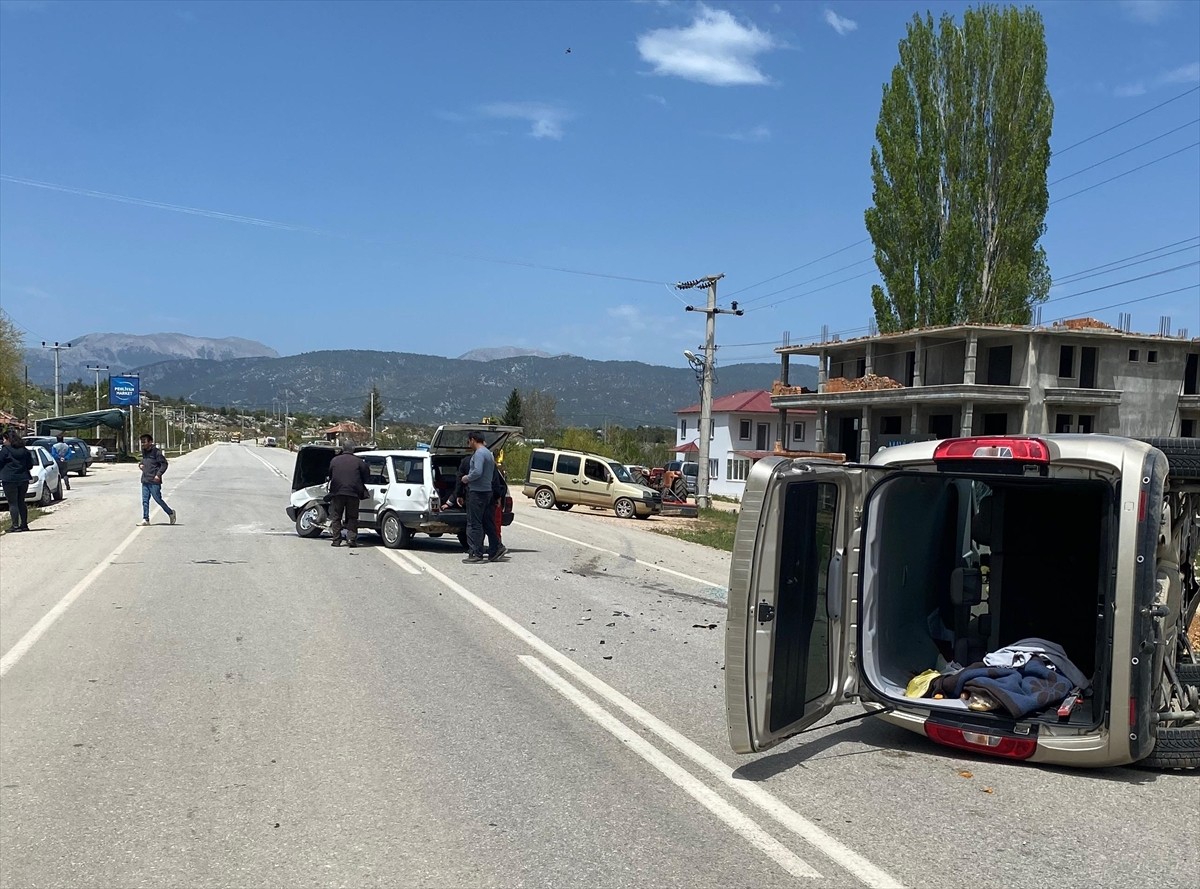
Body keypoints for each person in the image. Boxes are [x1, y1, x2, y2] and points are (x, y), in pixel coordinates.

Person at [461, 431, 505, 563]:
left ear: (473, 440)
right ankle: (495, 548)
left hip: (477, 492)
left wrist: (467, 478)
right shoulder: (488, 453)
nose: (468, 444)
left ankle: (476, 553)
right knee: (488, 522)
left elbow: (477, 471)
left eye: (468, 442)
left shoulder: (479, 454)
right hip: (487, 492)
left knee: (475, 523)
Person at [327, 446, 369, 548]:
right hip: (353, 493)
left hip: (337, 492)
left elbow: (330, 474)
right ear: (353, 450)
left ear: (343, 449)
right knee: (352, 517)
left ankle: (336, 540)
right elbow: (366, 476)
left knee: (336, 517)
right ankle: (351, 539)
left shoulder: (335, 460)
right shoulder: (359, 462)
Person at [138, 433, 176, 526]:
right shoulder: (144, 451)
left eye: (144, 442)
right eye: (141, 442)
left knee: (158, 499)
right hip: (145, 480)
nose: (143, 444)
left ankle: (170, 513)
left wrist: (158, 475)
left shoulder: (156, 452)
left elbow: (164, 464)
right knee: (145, 500)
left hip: (154, 481)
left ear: (150, 442)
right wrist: (140, 465)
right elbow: (143, 461)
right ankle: (145, 519)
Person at [0, 430, 35, 532]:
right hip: (24, 478)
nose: (3, 441)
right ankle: (24, 525)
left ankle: (15, 525)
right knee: (21, 501)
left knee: (12, 503)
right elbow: (30, 465)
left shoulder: (5, 450)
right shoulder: (24, 450)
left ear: (9, 439)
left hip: (9, 479)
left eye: (4, 439)